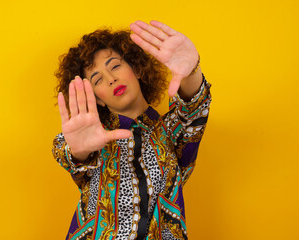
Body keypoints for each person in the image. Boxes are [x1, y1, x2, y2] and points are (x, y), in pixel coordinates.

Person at [52, 20, 212, 240]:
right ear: (96, 98)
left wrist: (191, 70)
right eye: (97, 79)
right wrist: (78, 151)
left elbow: (193, 110)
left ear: (136, 68)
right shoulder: (93, 138)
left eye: (115, 66)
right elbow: (68, 153)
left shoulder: (171, 132)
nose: (111, 79)